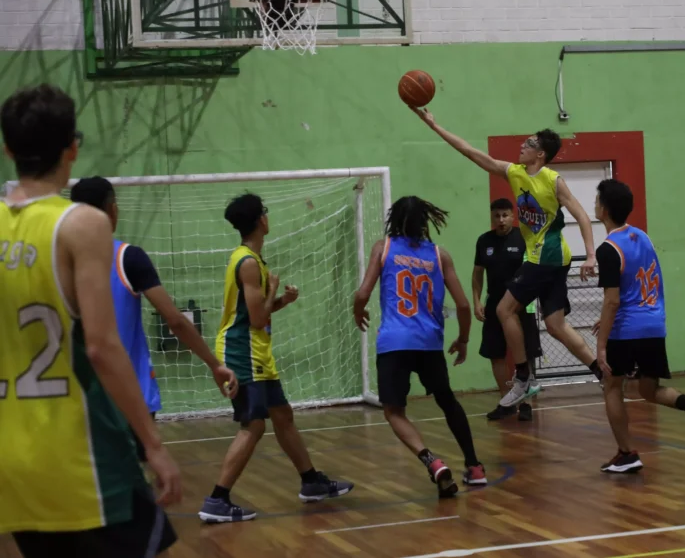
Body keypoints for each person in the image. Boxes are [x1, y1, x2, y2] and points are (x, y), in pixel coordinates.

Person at [0, 85, 180, 557]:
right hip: (77, 448)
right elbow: (101, 346)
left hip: (9, 451)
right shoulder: (82, 224)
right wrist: (153, 443)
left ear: (8, 149)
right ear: (72, 148)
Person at [413, 108, 602, 408]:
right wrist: (435, 126)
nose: (523, 145)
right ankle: (601, 371)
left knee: (503, 309)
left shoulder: (553, 180)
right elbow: (471, 153)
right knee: (555, 325)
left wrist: (591, 254)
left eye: (529, 143)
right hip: (553, 259)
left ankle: (524, 377)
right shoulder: (514, 173)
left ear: (540, 154)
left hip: (546, 256)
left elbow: (580, 214)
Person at [198, 192, 352, 523]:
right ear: (260, 220)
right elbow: (255, 319)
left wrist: (281, 300)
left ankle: (310, 481)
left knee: (282, 415)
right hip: (242, 351)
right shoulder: (249, 263)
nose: (268, 216)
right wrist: (271, 294)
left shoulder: (250, 258)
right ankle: (217, 499)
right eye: (265, 212)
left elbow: (257, 313)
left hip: (255, 350)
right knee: (253, 425)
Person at [69, 176, 239, 461]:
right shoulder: (128, 258)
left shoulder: (56, 261)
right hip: (128, 396)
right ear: (112, 210)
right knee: (133, 486)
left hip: (72, 395)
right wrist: (214, 364)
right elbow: (175, 321)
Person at [353, 196, 487, 497]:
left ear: (394, 221)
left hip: (394, 343)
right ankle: (475, 466)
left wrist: (358, 311)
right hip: (429, 343)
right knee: (448, 402)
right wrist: (463, 339)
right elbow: (464, 305)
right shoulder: (440, 255)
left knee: (394, 411)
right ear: (426, 222)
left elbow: (362, 293)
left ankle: (431, 460)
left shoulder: (383, 248)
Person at [592, 179, 685, 474]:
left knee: (612, 386)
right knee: (648, 389)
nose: (594, 203)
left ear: (605, 209)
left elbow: (612, 300)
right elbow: (637, 283)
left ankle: (626, 453)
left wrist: (601, 347)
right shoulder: (642, 237)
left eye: (597, 199)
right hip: (653, 325)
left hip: (627, 329)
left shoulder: (608, 249)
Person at [473, 197, 542, 421]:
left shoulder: (524, 237)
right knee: (495, 354)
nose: (501, 220)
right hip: (494, 304)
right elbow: (477, 274)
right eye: (496, 216)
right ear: (492, 217)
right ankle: (507, 401)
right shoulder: (484, 241)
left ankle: (527, 404)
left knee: (527, 353)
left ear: (512, 216)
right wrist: (476, 301)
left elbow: (535, 268)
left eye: (505, 215)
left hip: (521, 302)